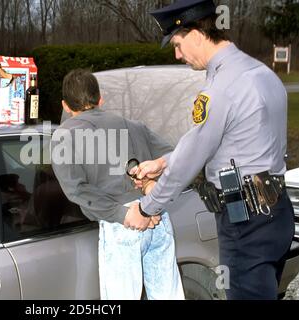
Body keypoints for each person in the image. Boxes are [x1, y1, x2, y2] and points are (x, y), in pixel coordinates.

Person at [128, 0, 295, 300]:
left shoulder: (221, 88)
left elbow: (192, 159)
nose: (178, 55)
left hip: (245, 223)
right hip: (275, 214)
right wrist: (163, 163)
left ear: (195, 34)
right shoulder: (261, 73)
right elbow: (223, 140)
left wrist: (146, 207)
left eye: (177, 44)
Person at [51, 69, 184, 300]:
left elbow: (77, 190)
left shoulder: (65, 136)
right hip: (158, 219)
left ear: (65, 105)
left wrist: (123, 214)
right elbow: (178, 159)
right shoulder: (134, 126)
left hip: (123, 227)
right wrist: (152, 186)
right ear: (100, 99)